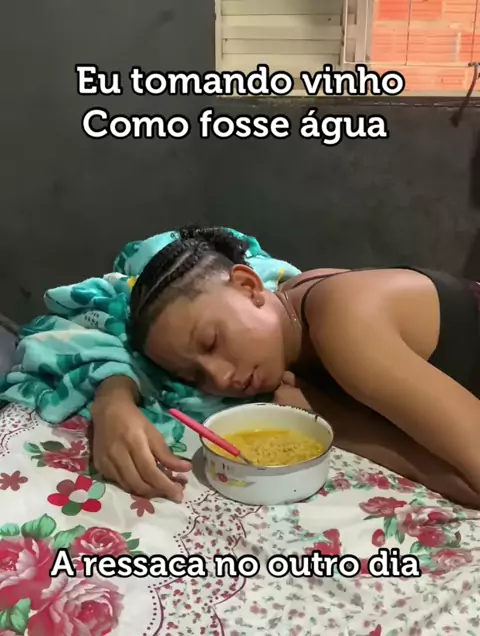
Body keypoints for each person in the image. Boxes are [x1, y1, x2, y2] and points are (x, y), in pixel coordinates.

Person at [91, 225, 480, 507]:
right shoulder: (292, 305)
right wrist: (113, 399)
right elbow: (91, 323)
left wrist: (336, 424)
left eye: (211, 341)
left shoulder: (344, 324)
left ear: (249, 285)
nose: (220, 377)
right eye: (194, 376)